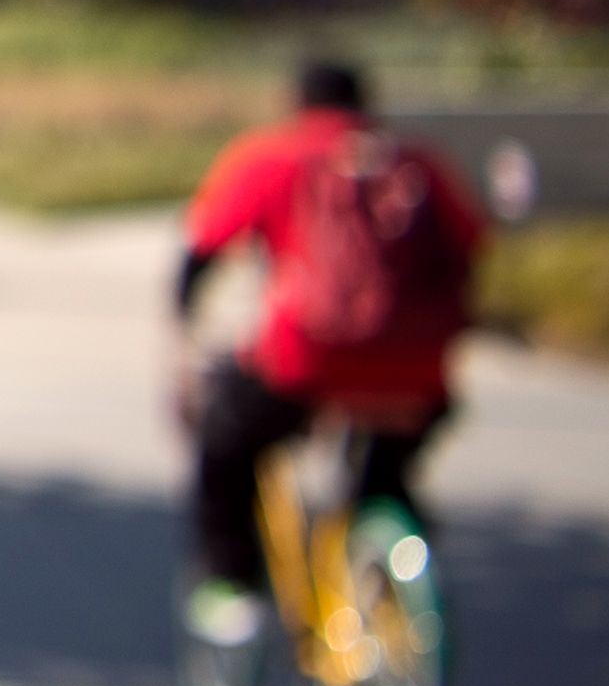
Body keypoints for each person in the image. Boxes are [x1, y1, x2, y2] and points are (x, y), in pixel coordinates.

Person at [173, 57, 488, 646]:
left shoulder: (274, 157)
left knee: (225, 440)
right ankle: (396, 566)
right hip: (417, 370)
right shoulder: (415, 163)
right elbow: (471, 244)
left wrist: (185, 336)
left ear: (295, 102)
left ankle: (230, 582)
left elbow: (202, 251)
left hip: (305, 359)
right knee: (388, 469)